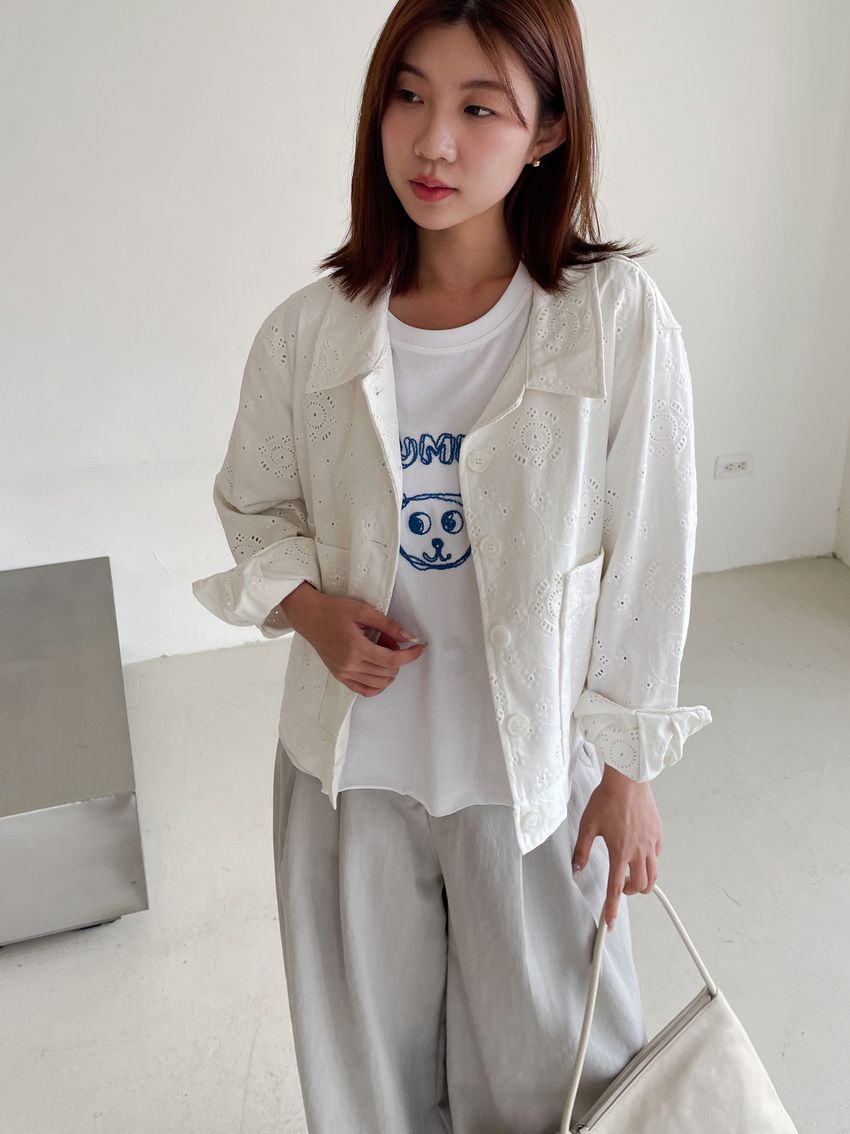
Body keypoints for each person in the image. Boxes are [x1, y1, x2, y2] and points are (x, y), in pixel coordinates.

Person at [191, 2, 713, 1131]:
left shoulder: (609, 320)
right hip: (350, 780)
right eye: (409, 95)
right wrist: (312, 612)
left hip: (528, 780)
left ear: (548, 131)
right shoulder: (309, 331)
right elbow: (252, 508)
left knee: (559, 1082)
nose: (432, 142)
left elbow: (653, 551)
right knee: (366, 1089)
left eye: (481, 109)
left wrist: (629, 773)